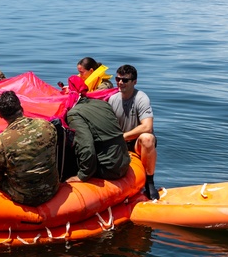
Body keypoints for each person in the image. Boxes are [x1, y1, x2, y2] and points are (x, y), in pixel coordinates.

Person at [0, 91, 60, 206]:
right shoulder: (47, 125)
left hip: (24, 196)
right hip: (51, 188)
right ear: (21, 107)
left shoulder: (1, 142)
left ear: (0, 114)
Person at [64, 75, 131, 182]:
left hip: (109, 168)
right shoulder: (103, 103)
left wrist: (82, 176)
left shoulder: (74, 114)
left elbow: (86, 145)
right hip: (124, 162)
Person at [108, 64, 159, 200]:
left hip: (136, 143)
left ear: (134, 82)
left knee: (147, 138)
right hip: (121, 143)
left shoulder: (141, 98)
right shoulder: (113, 99)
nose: (120, 82)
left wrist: (123, 137)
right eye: (118, 79)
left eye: (125, 80)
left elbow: (147, 126)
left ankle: (149, 182)